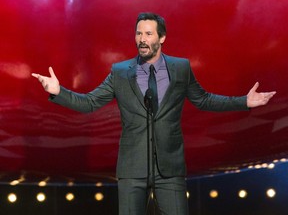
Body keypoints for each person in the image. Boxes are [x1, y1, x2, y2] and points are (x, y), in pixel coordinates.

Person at [32, 12, 276, 215]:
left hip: (170, 170)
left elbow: (203, 100)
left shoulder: (180, 68)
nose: (142, 39)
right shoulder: (120, 72)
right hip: (132, 170)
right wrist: (58, 91)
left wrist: (244, 101)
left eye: (148, 34)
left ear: (162, 38)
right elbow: (89, 103)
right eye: (138, 33)